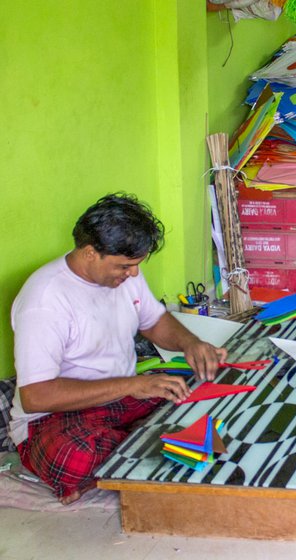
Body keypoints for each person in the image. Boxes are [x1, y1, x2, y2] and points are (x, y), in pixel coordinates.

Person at [9, 193, 228, 505]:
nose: (134, 274)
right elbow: (36, 397)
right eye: (126, 266)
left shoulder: (123, 275)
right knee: (73, 457)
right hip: (55, 415)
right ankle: (152, 438)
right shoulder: (45, 301)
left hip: (120, 396)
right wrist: (133, 384)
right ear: (89, 253)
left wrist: (191, 343)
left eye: (136, 265)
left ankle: (138, 443)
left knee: (197, 390)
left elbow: (154, 321)